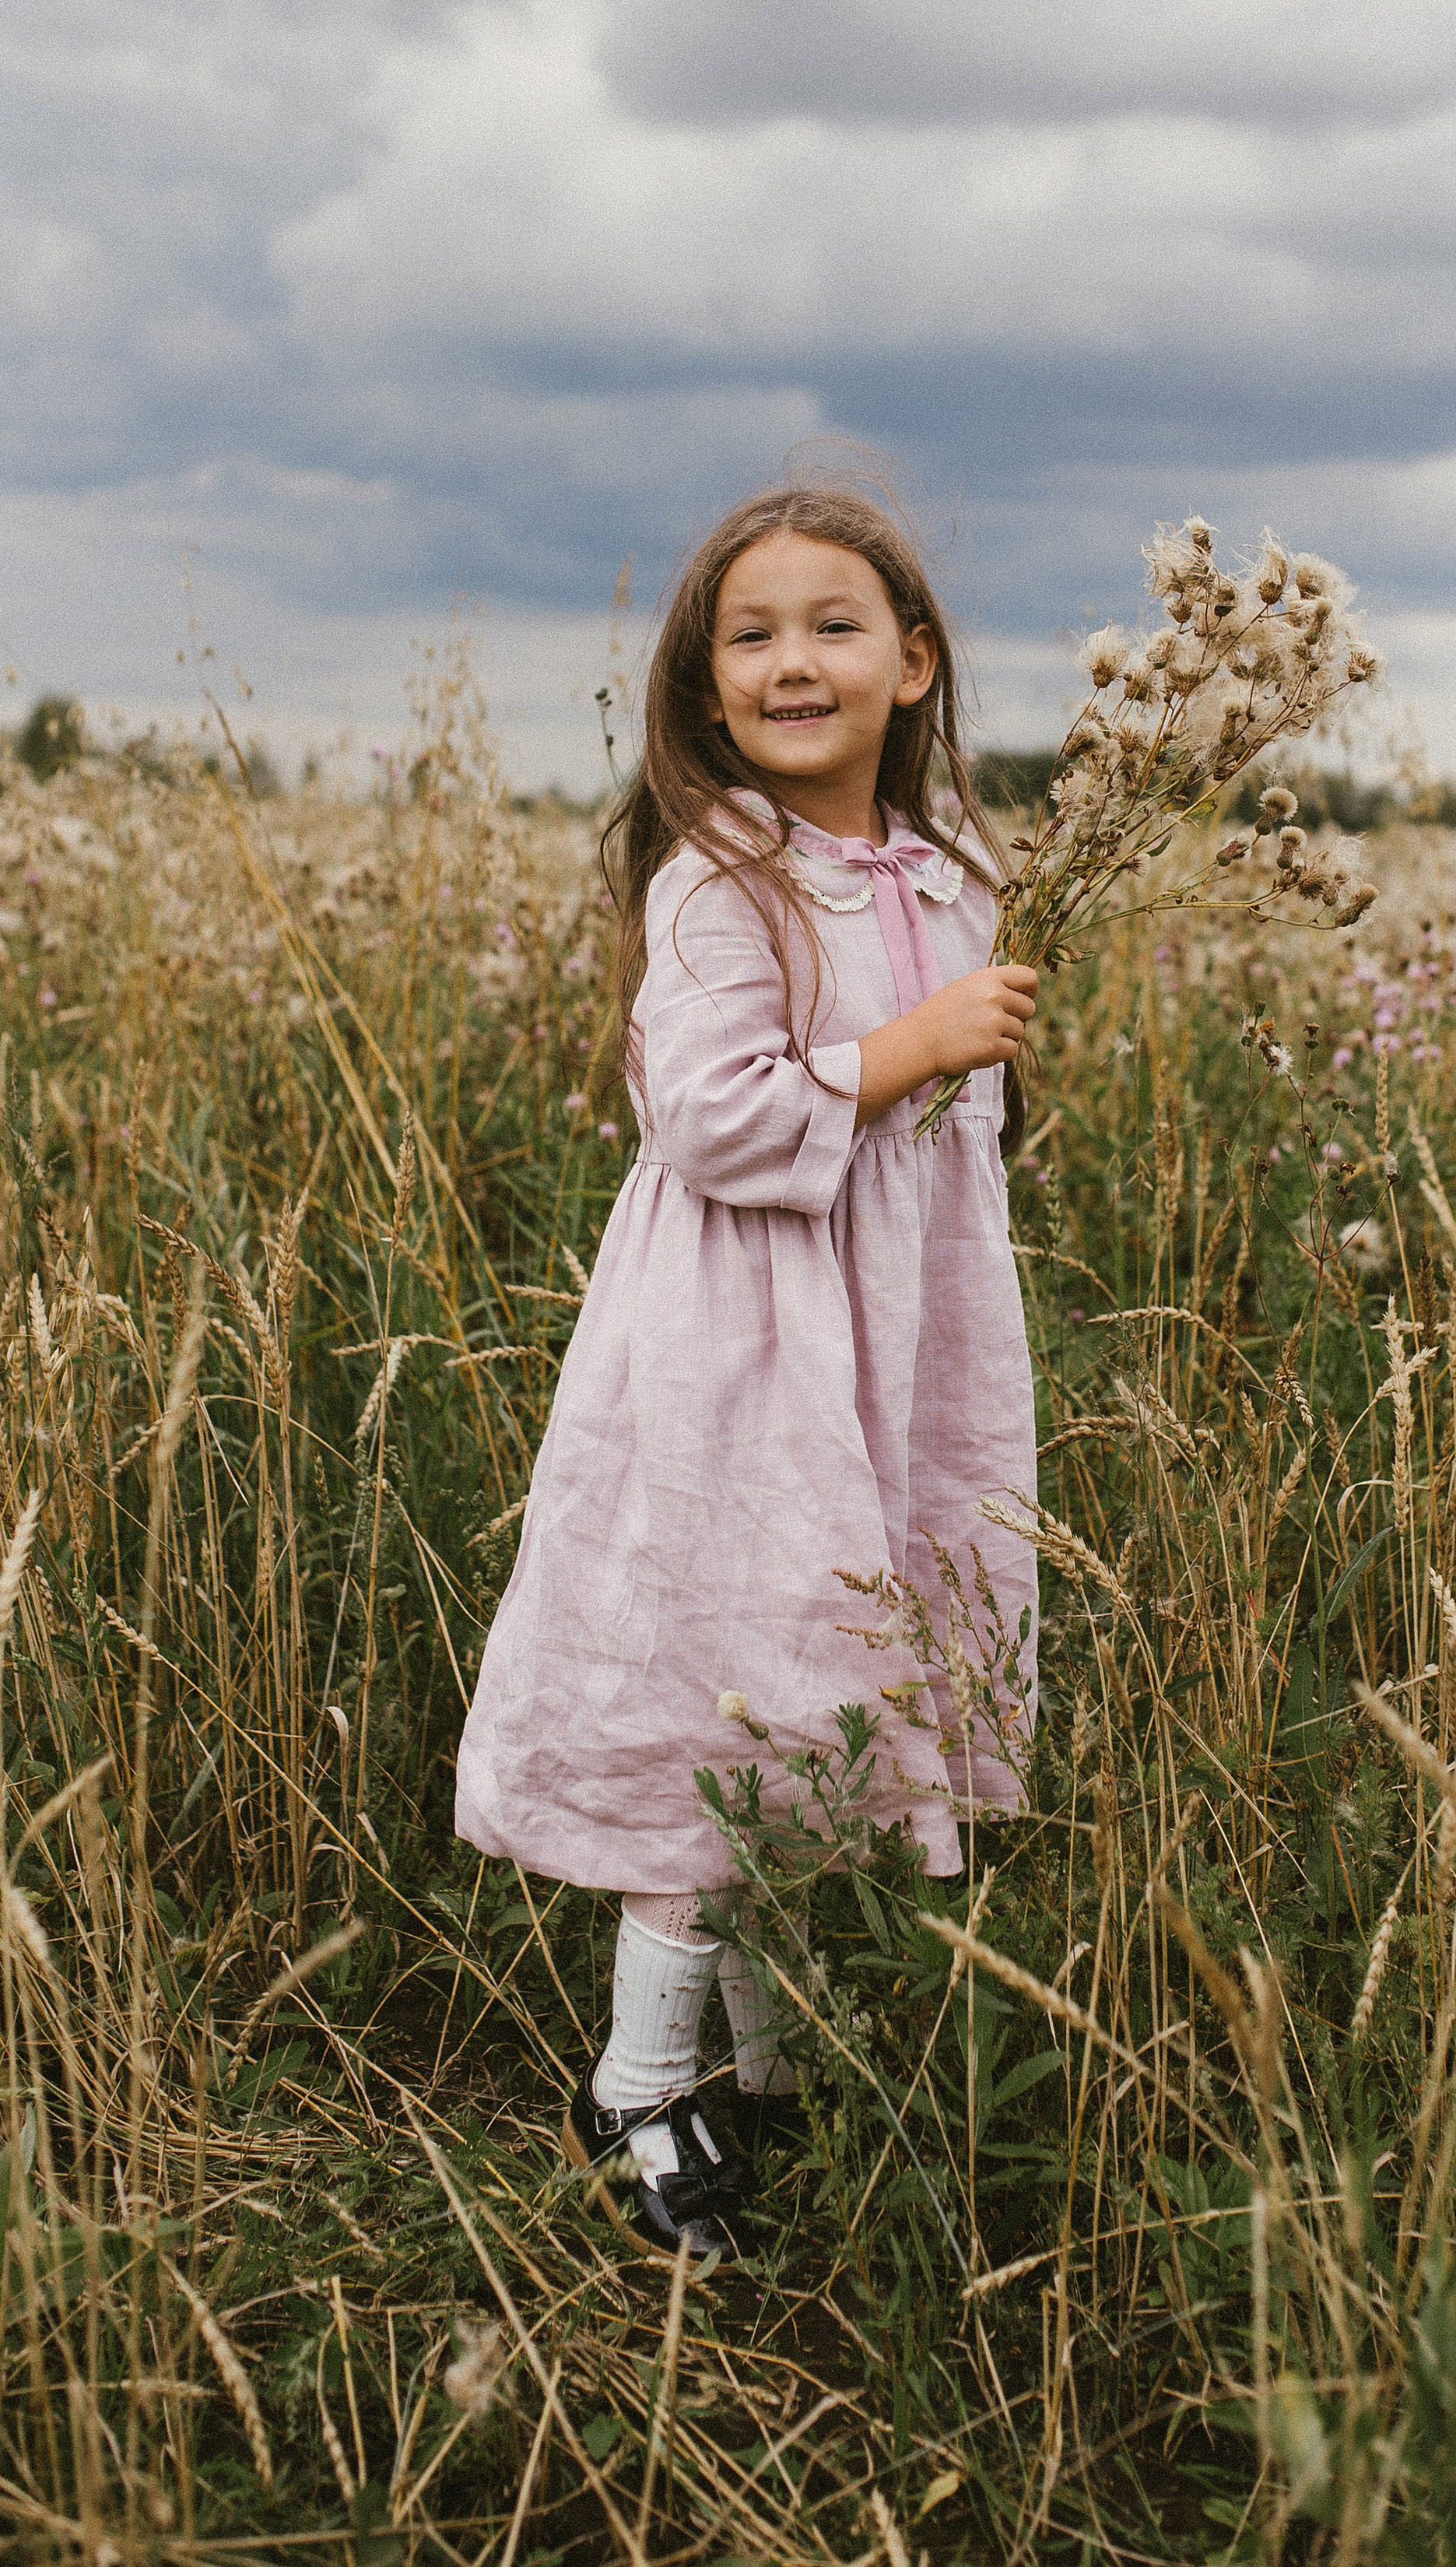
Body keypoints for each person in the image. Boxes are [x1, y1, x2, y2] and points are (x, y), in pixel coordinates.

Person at [454, 469, 1040, 2260]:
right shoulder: (723, 880)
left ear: (915, 664)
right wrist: (911, 1041)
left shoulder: (957, 873)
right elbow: (707, 1115)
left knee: (845, 1671)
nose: (794, 659)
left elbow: (967, 1118)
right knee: (733, 1675)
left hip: (898, 1338)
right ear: (707, 692)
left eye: (834, 624)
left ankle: (766, 2059)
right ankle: (638, 2082)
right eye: (752, 634)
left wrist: (960, 1053)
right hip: (744, 1344)